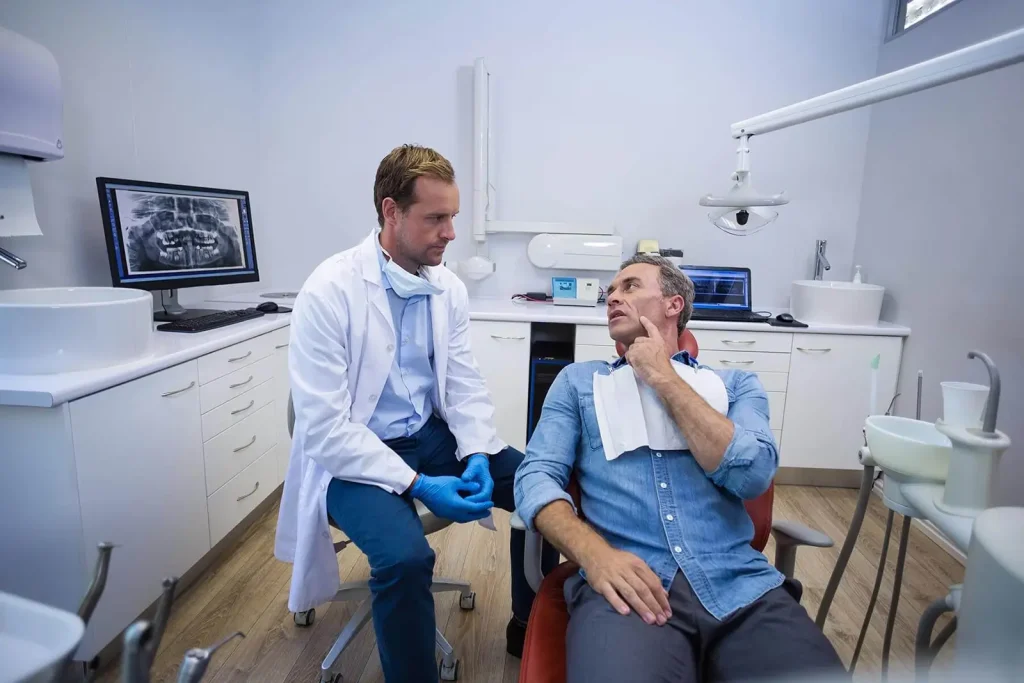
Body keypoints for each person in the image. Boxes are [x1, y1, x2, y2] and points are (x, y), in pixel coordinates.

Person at [276, 144, 555, 681]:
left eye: (453, 217)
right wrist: (419, 485)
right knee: (405, 560)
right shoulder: (329, 291)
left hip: (431, 436)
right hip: (355, 455)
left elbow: (462, 381)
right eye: (435, 218)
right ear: (391, 212)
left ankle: (529, 624)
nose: (450, 233)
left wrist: (477, 453)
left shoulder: (446, 286)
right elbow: (326, 430)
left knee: (540, 487)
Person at [514, 254, 845, 682]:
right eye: (610, 291)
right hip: (626, 588)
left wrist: (663, 377)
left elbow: (752, 474)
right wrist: (596, 556)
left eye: (630, 286)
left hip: (741, 587)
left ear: (674, 305)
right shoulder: (580, 383)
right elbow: (536, 477)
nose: (612, 297)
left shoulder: (735, 386)